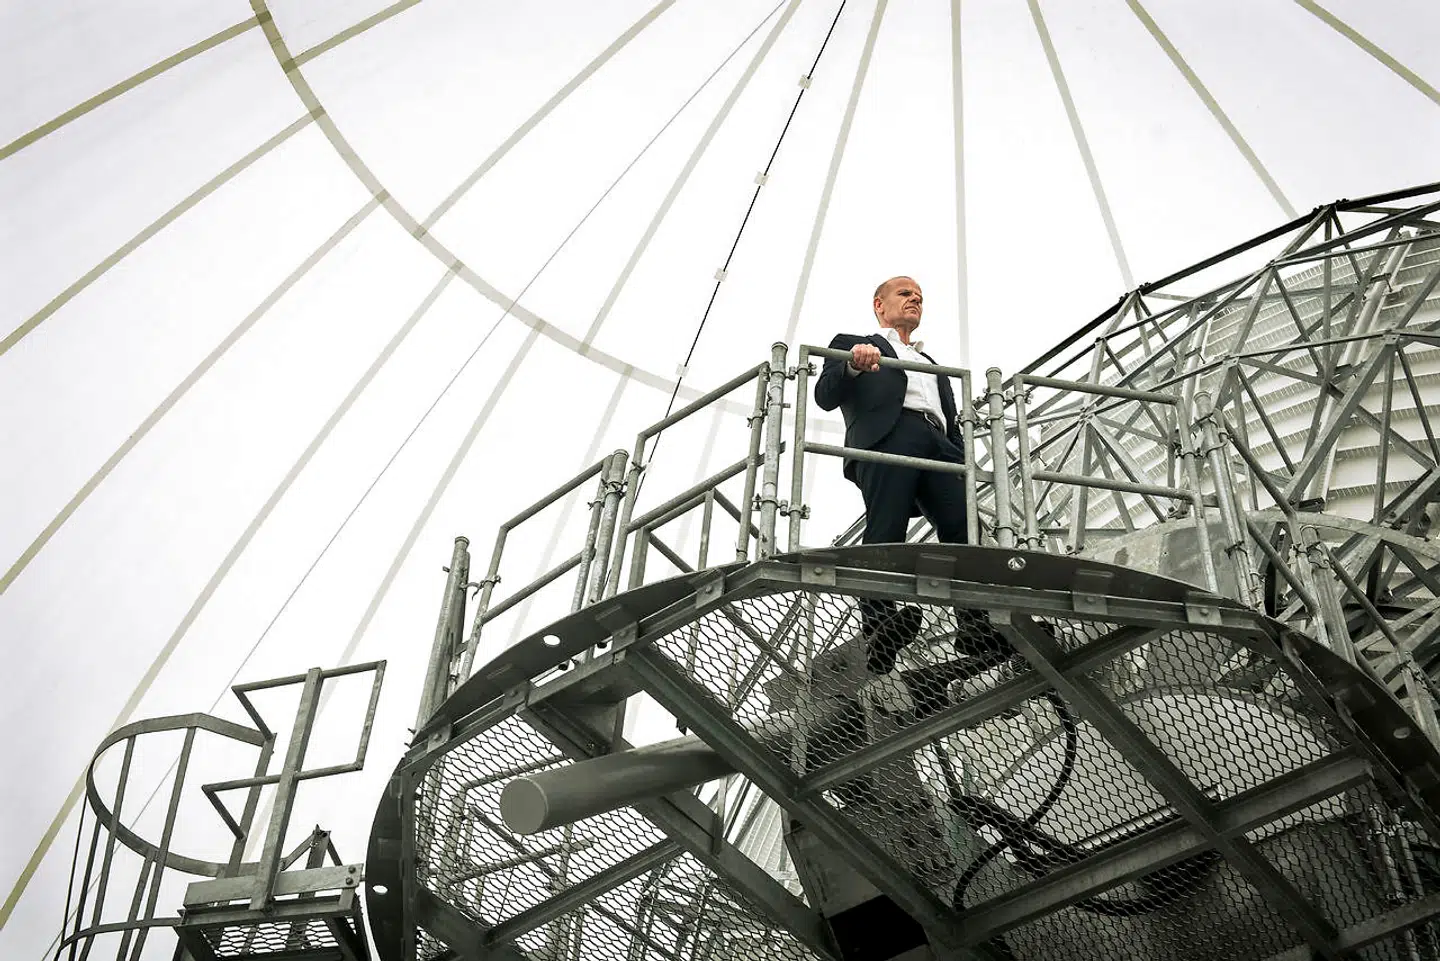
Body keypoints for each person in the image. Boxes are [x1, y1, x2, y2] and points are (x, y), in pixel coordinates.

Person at [814, 276, 1006, 679]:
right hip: (889, 437)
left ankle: (974, 627)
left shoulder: (934, 365)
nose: (914, 300)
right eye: (905, 294)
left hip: (937, 443)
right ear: (879, 305)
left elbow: (951, 416)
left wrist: (957, 454)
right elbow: (825, 395)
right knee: (887, 528)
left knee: (963, 528)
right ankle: (879, 624)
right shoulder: (853, 341)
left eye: (920, 296)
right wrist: (853, 362)